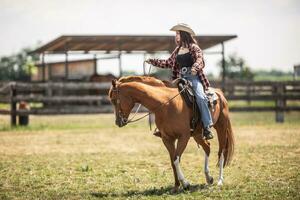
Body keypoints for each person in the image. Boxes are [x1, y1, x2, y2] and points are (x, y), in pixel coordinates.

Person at [145, 23, 214, 140]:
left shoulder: (193, 47)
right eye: (175, 34)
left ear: (184, 34)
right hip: (180, 78)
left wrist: (195, 67)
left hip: (194, 78)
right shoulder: (177, 50)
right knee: (165, 98)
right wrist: (153, 61)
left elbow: (200, 60)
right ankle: (164, 127)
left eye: (178, 33)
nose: (176, 36)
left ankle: (207, 126)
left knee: (201, 97)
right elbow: (167, 63)